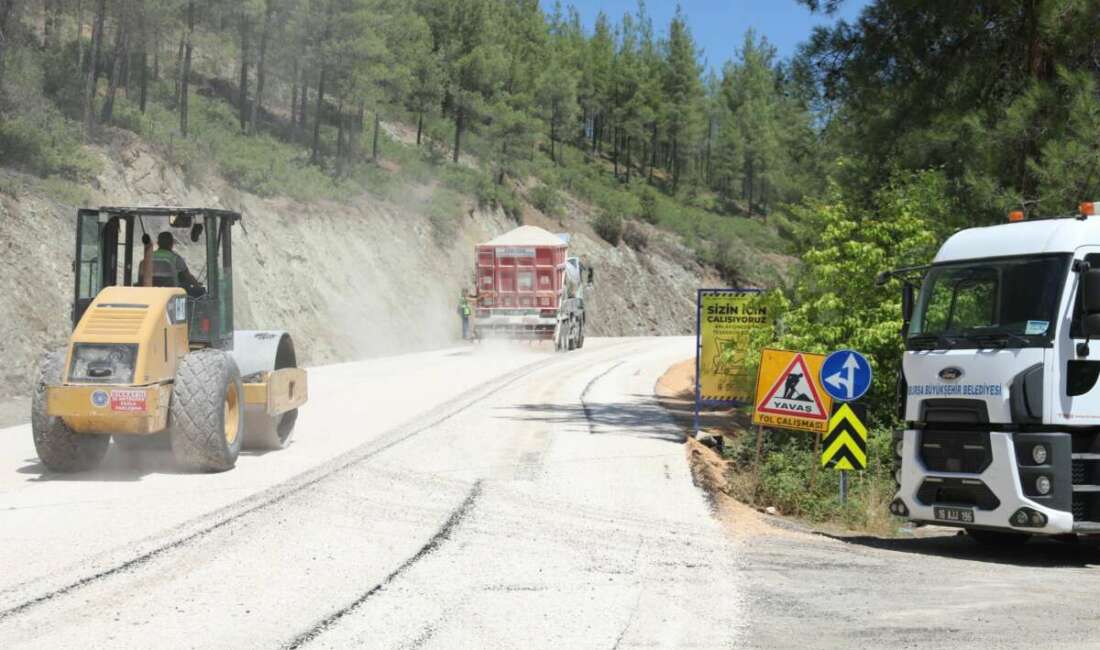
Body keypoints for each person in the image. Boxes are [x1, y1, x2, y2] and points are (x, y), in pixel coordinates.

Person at [143, 232, 205, 296]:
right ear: (172, 243)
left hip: (151, 293)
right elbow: (188, 277)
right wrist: (198, 286)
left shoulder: (148, 257)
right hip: (172, 294)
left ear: (158, 243)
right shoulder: (176, 258)